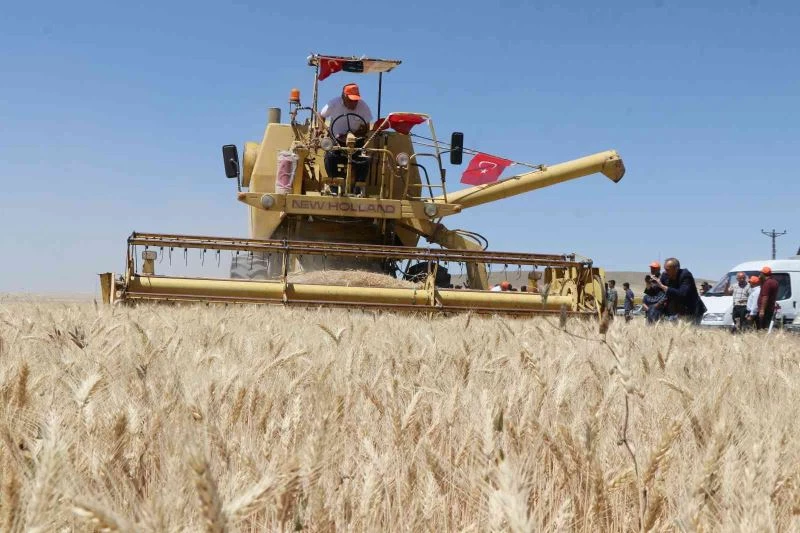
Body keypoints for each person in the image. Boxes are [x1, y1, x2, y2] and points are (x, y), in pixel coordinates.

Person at [319, 83, 374, 183]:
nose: (354, 103)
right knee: (329, 156)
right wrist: (320, 129)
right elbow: (321, 115)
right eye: (351, 100)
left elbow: (366, 128)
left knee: (364, 160)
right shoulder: (334, 103)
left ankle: (359, 187)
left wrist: (354, 134)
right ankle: (334, 184)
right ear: (344, 97)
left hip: (356, 143)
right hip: (336, 142)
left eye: (356, 100)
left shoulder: (363, 107)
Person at [650, 257, 707, 324]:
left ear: (676, 269)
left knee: (690, 333)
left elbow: (682, 294)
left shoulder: (685, 275)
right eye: (665, 269)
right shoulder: (665, 275)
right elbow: (654, 292)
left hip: (692, 311)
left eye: (668, 270)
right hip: (677, 312)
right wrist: (650, 284)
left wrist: (662, 286)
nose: (665, 271)